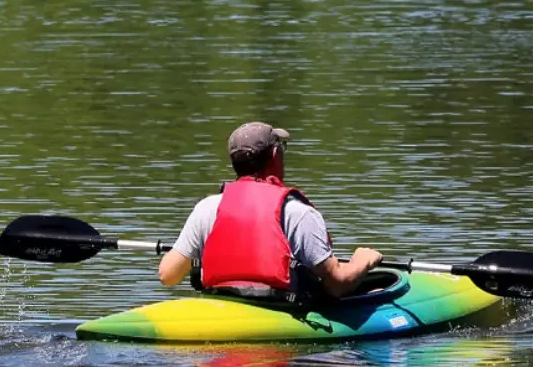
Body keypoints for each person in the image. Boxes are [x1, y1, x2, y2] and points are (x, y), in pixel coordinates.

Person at [157, 122, 382, 300]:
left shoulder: (206, 208)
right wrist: (362, 261)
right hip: (279, 311)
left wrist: (197, 254)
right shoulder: (298, 213)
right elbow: (337, 285)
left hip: (223, 304)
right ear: (275, 155)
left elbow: (168, 275)